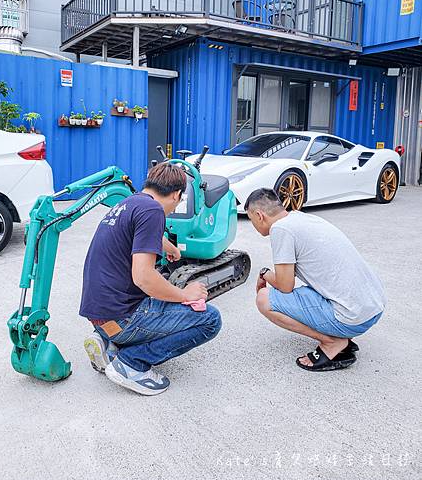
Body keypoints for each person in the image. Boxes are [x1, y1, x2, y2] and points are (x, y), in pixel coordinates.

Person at [79, 162, 222, 395]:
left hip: (100, 316)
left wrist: (167, 245)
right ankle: (132, 363)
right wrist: (185, 294)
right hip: (123, 317)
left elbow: (132, 235)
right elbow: (144, 278)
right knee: (210, 319)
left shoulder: (128, 203)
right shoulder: (153, 211)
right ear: (177, 195)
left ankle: (108, 343)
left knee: (162, 292)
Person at [245, 188, 386, 372]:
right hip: (373, 308)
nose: (253, 224)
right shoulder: (301, 218)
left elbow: (285, 286)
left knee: (264, 299)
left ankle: (332, 342)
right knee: (304, 290)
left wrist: (265, 274)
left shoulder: (281, 229)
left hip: (352, 318)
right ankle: (340, 337)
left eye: (250, 219)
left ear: (259, 215)